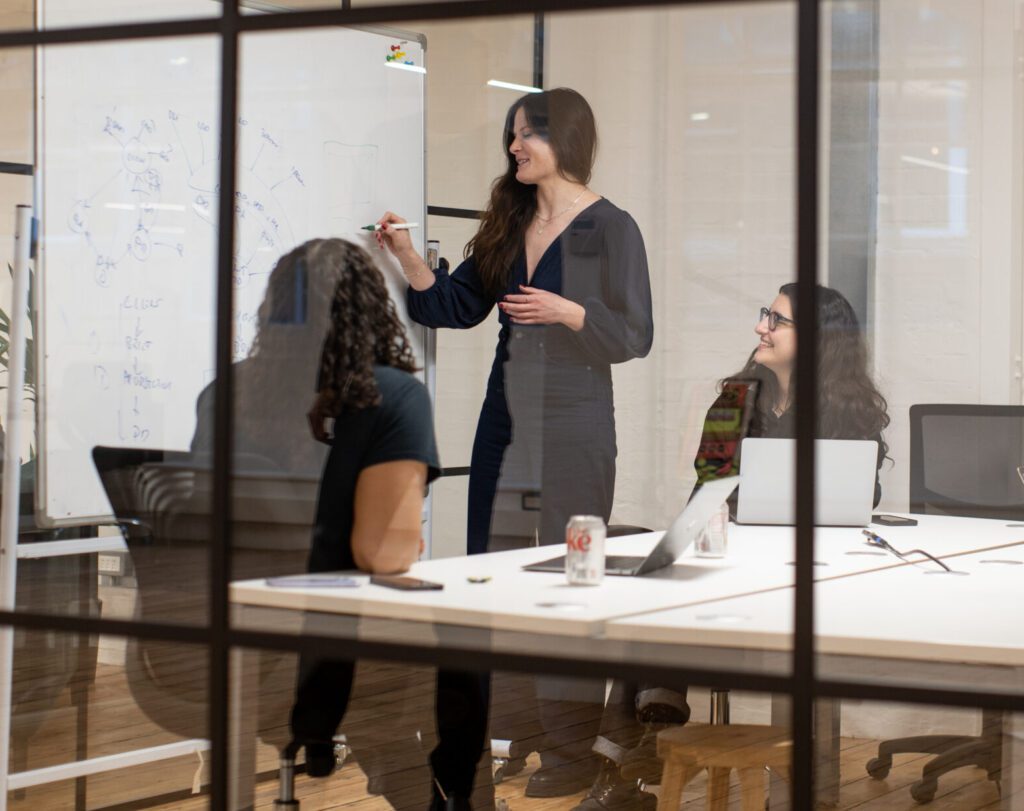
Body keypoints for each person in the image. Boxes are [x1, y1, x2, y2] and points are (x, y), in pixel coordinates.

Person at [374, 87, 655, 798]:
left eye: (527, 133)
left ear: (566, 140)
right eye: (511, 134)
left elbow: (635, 334)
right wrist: (407, 255)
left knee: (568, 578)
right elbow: (455, 305)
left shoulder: (612, 227)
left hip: (576, 417)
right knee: (493, 569)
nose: (514, 146)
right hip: (505, 418)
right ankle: (514, 734)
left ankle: (569, 751)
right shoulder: (509, 219)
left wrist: (568, 311)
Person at [275, 239, 486, 811]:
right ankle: (452, 795)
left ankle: (318, 736)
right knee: (467, 634)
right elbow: (383, 556)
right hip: (324, 642)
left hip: (220, 643)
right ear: (371, 308)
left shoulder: (226, 393)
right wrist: (405, 529)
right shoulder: (388, 395)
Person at [694, 282, 890, 506]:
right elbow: (707, 492)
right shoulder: (735, 401)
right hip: (742, 538)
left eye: (776, 320)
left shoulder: (848, 410)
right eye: (766, 315)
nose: (760, 327)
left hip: (824, 540)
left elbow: (865, 497)